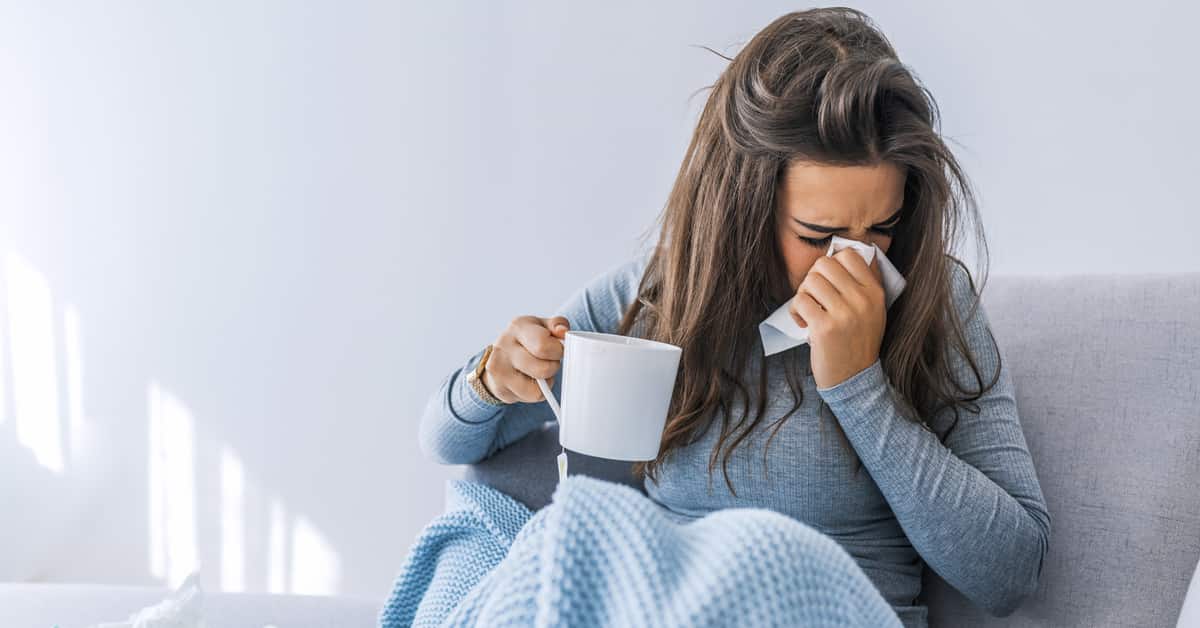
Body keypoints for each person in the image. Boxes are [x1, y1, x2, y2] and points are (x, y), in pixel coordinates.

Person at [417, 7, 1050, 628]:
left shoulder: (935, 304)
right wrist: (489, 380)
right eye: (818, 232)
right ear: (744, 207)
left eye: (880, 228)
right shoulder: (662, 298)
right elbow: (449, 443)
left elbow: (1010, 573)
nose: (853, 262)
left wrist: (860, 388)